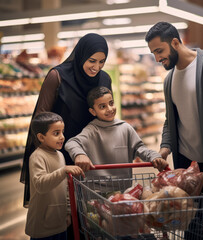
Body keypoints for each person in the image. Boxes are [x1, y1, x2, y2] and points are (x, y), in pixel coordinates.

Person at [145, 21, 203, 239]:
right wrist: (164, 147)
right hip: (188, 167)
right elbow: (171, 120)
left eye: (160, 51)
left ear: (176, 42)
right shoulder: (169, 80)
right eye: (153, 53)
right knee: (191, 225)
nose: (157, 58)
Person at [20, 33, 112, 208]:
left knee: (92, 214)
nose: (96, 67)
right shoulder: (58, 76)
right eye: (92, 60)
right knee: (64, 212)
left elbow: (106, 113)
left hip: (93, 155)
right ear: (81, 55)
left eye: (102, 62)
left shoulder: (105, 79)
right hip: (60, 155)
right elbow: (40, 119)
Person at [65, 86, 168, 181]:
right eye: (102, 107)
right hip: (96, 191)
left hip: (123, 188)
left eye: (111, 103)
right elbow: (71, 143)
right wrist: (79, 154)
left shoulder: (125, 128)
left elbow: (140, 148)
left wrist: (155, 156)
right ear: (93, 112)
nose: (109, 109)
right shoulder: (91, 130)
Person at [25, 112, 84, 240]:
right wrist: (63, 171)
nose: (62, 137)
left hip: (60, 221)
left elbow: (65, 188)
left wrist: (68, 212)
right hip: (42, 224)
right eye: (56, 133)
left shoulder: (60, 155)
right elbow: (40, 185)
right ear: (41, 137)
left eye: (62, 132)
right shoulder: (37, 157)